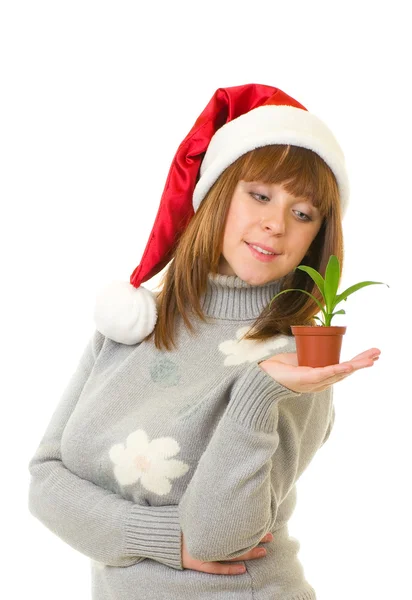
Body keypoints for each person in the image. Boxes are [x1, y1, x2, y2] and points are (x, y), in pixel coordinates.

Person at [27, 83, 381, 600]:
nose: (275, 223)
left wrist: (258, 392)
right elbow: (44, 484)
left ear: (316, 238)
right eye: (260, 195)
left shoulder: (295, 361)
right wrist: (166, 538)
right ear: (217, 194)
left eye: (302, 213)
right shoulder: (134, 322)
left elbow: (219, 539)